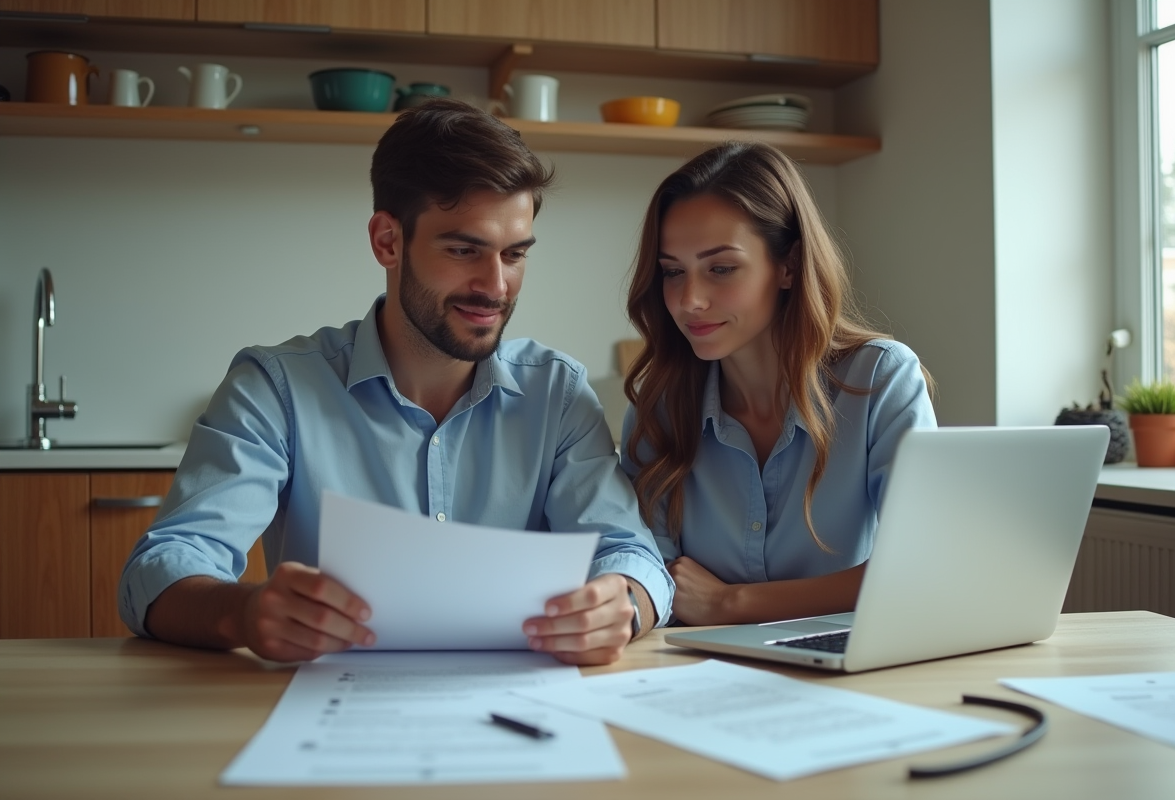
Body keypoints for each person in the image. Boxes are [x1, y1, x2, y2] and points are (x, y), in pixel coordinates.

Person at [119, 98, 672, 666]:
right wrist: (242, 612)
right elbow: (160, 569)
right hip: (329, 705)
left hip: (522, 705)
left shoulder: (557, 394)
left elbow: (632, 555)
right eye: (464, 250)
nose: (496, 286)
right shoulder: (275, 389)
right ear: (388, 241)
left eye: (514, 255)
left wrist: (623, 604)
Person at [620, 141, 935, 626]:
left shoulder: (880, 380)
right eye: (673, 272)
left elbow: (921, 567)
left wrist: (731, 603)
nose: (689, 300)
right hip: (695, 663)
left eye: (721, 268)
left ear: (788, 266)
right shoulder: (656, 407)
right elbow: (651, 578)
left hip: (846, 659)